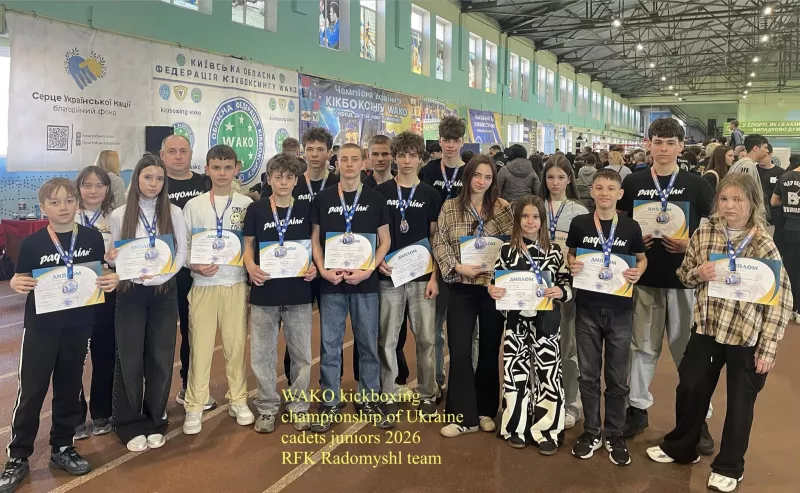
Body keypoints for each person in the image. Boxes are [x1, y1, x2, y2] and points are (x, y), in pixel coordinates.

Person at [647, 173, 792, 493]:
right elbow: (684, 275)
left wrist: (768, 347)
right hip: (708, 327)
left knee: (741, 402)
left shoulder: (763, 244)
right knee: (690, 387)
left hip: (746, 335)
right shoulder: (705, 232)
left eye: (738, 199)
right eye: (724, 199)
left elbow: (781, 301)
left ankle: (729, 466)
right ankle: (681, 447)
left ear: (752, 203)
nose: (729, 206)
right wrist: (699, 272)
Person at [0, 179, 118, 492]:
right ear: (43, 208)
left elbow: (100, 271)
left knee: (69, 388)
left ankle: (62, 446)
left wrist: (112, 278)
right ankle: (18, 456)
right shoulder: (33, 243)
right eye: (54, 202)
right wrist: (16, 283)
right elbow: (21, 277)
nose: (63, 207)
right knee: (32, 391)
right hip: (41, 327)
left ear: (77, 202)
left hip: (79, 324)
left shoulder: (91, 237)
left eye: (68, 201)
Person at [619, 118, 715, 455]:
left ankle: (697, 419)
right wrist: (633, 239)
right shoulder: (633, 182)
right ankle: (636, 408)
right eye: (657, 142)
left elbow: (714, 229)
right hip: (644, 280)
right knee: (642, 348)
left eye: (670, 143)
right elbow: (618, 224)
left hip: (684, 281)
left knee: (688, 352)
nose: (663, 149)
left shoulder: (697, 184)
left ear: (680, 146)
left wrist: (690, 242)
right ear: (648, 144)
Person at [310, 143, 393, 432]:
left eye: (354, 159)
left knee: (368, 343)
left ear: (363, 162)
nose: (348, 164)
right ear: (337, 162)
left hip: (365, 282)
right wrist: (322, 270)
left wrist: (368, 270)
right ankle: (330, 401)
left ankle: (368, 398)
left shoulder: (375, 198)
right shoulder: (323, 198)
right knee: (329, 345)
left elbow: (385, 240)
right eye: (343, 159)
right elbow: (315, 240)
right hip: (331, 283)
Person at [566, 169, 647, 466]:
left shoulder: (630, 226)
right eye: (599, 188)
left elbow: (641, 258)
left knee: (617, 377)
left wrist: (639, 272)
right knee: (588, 375)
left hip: (620, 309)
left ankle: (614, 433)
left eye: (611, 188)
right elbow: (571, 254)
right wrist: (572, 264)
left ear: (620, 194)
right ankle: (591, 431)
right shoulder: (580, 223)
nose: (604, 193)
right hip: (587, 307)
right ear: (592, 191)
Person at [107, 154, 187, 452]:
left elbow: (181, 252)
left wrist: (161, 277)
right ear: (137, 178)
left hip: (163, 292)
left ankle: (155, 419)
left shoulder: (174, 212)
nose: (153, 184)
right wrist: (110, 259)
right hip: (130, 293)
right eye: (148, 177)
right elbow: (115, 258)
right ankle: (127, 423)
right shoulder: (119, 215)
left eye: (159, 179)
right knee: (129, 357)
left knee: (160, 356)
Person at [433, 155, 513, 437]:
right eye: (477, 175)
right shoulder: (450, 207)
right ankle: (463, 416)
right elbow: (440, 242)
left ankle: (485, 411)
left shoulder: (503, 209)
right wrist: (457, 266)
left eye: (488, 177)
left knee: (490, 349)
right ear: (468, 176)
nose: (482, 181)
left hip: (492, 289)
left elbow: (512, 245)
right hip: (462, 287)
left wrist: (500, 273)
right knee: (460, 349)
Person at [181, 145, 254, 435]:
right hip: (203, 286)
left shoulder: (247, 204)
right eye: (216, 167)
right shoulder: (194, 205)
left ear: (236, 168)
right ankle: (194, 405)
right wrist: (194, 264)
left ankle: (238, 399)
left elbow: (251, 244)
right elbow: (183, 247)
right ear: (207, 169)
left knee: (236, 346)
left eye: (227, 167)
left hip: (235, 283)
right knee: (199, 347)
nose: (222, 173)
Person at [490, 195, 571, 454]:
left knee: (549, 375)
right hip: (516, 322)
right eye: (525, 216)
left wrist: (561, 291)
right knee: (515, 372)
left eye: (535, 216)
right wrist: (493, 290)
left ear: (542, 221)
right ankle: (516, 427)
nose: (530, 221)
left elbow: (566, 282)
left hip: (546, 323)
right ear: (517, 220)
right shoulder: (506, 250)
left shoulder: (555, 250)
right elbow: (495, 281)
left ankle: (548, 429)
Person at [243, 153, 317, 434]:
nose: (283, 182)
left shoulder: (307, 208)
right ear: (269, 180)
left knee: (301, 355)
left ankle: (298, 405)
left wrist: (314, 267)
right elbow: (248, 245)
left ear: (296, 180)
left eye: (289, 177)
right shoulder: (257, 209)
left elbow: (314, 245)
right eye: (278, 177)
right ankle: (266, 406)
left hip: (299, 291)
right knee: (262, 355)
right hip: (265, 291)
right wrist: (250, 266)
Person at [375, 131, 441, 417]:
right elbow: (375, 234)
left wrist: (435, 276)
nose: (406, 161)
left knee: (426, 338)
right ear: (395, 158)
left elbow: (436, 238)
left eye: (412, 156)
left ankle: (427, 392)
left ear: (420, 159)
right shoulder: (381, 193)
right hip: (389, 276)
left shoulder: (430, 194)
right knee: (387, 339)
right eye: (401, 155)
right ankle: (388, 391)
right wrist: (377, 260)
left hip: (422, 278)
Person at [159, 134, 214, 409]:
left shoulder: (206, 183)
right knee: (162, 334)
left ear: (191, 153)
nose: (178, 156)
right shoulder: (156, 183)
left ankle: (190, 386)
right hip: (165, 272)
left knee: (196, 331)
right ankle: (156, 397)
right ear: (162, 155)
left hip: (201, 270)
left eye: (183, 151)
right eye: (172, 151)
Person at [419, 116, 468, 393]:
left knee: (467, 329)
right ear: (440, 141)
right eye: (446, 140)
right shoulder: (428, 171)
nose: (450, 145)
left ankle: (467, 383)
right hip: (435, 251)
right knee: (434, 326)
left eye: (455, 140)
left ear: (462, 142)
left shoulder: (469, 171)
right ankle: (437, 378)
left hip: (464, 253)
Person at [540, 155, 589, 430]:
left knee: (568, 348)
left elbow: (586, 250)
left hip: (567, 288)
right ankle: (541, 398)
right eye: (550, 177)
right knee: (538, 345)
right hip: (538, 286)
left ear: (569, 179)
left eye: (560, 177)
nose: (555, 183)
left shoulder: (579, 211)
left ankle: (572, 403)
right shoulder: (535, 206)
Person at [73, 166, 117, 440]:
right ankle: (74, 416)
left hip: (105, 292)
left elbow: (125, 255)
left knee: (105, 353)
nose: (93, 190)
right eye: (87, 185)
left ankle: (102, 412)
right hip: (74, 295)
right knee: (72, 357)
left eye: (99, 185)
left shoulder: (117, 217)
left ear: (107, 189)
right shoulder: (69, 215)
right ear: (78, 188)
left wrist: (115, 261)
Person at [771, 161, 800, 323]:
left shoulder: (785, 176)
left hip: (789, 229)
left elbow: (774, 201)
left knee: (790, 269)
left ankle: (790, 307)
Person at [756, 143, 783, 225]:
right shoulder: (754, 170)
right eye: (759, 157)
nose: (760, 159)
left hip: (774, 213)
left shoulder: (780, 172)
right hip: (757, 211)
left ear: (770, 154)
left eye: (763, 157)